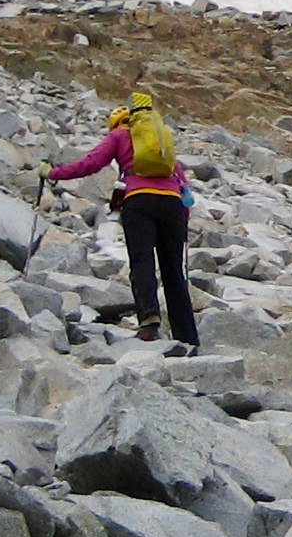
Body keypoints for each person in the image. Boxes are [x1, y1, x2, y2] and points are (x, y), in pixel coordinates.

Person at [45, 90, 199, 352]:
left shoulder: (119, 135)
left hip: (139, 201)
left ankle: (149, 322)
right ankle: (187, 337)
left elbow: (91, 164)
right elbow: (182, 181)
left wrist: (53, 173)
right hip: (172, 206)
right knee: (174, 272)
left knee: (142, 263)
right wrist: (183, 216)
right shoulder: (162, 138)